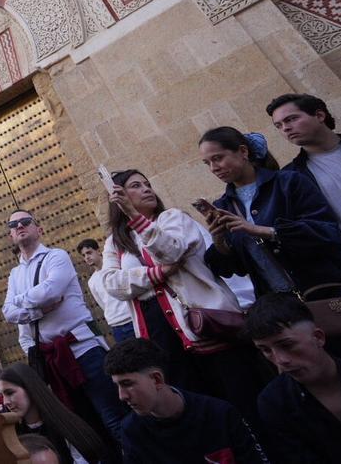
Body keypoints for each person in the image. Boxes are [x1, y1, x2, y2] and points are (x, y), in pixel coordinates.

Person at [100, 169, 268, 425]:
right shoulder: (115, 242)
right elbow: (112, 284)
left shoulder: (172, 218)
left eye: (147, 184)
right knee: (198, 412)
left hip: (204, 327)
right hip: (162, 338)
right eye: (136, 186)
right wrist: (157, 274)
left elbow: (171, 252)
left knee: (241, 400)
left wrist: (134, 216)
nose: (146, 189)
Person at [2, 210, 125, 441]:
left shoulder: (56, 257)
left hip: (84, 350)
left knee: (113, 417)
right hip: (53, 360)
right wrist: (39, 310)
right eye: (13, 225)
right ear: (11, 236)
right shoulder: (15, 274)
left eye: (25, 221)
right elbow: (8, 312)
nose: (19, 226)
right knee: (81, 423)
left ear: (39, 229)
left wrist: (19, 300)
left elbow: (52, 291)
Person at [198, 127, 341, 297]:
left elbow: (325, 232)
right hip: (281, 304)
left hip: (327, 291)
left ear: (243, 151)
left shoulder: (289, 182)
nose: (213, 168)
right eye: (207, 163)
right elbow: (238, 268)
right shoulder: (224, 205)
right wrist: (220, 243)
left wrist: (264, 231)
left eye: (218, 158)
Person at [105, 338, 269, 463]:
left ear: (156, 379)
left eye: (127, 384)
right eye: (117, 386)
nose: (122, 396)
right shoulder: (132, 431)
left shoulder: (218, 414)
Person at [247, 292, 341, 463]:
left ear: (318, 337)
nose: (280, 360)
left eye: (287, 345)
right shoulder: (275, 402)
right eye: (266, 350)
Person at [267, 93, 341, 237]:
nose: (285, 128)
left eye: (291, 119)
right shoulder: (291, 177)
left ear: (319, 116)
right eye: (278, 125)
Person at [0, 363, 108, 464]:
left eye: (10, 393)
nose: (5, 402)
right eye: (1, 396)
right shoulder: (11, 433)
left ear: (29, 388)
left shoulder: (65, 427)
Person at [76, 239, 133, 344]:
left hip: (132, 319)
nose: (87, 257)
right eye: (83, 255)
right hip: (116, 326)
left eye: (89, 253)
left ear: (98, 251)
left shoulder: (117, 267)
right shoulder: (91, 282)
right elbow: (103, 305)